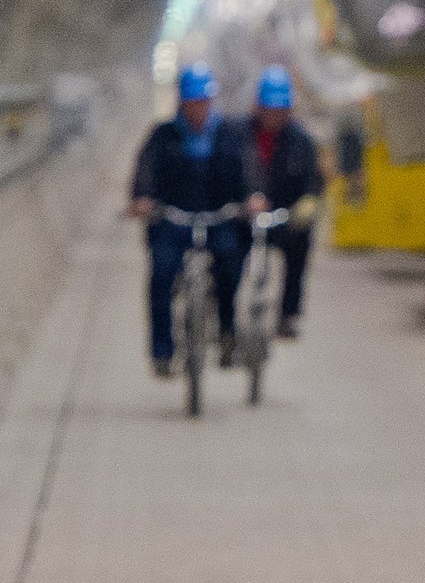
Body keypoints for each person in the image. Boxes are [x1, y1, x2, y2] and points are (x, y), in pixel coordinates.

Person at [127, 64, 262, 376]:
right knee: (161, 273)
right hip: (174, 219)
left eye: (203, 101)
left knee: (230, 264)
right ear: (182, 102)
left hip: (219, 218)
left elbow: (249, 169)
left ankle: (227, 331)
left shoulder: (229, 135)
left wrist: (252, 196)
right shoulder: (163, 135)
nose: (198, 108)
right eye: (193, 102)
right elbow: (145, 169)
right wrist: (142, 198)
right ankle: (163, 350)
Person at [240, 66, 327, 339]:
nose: (273, 115)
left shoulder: (301, 141)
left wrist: (308, 202)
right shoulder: (238, 135)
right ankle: (225, 316)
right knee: (225, 254)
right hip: (242, 217)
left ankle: (288, 313)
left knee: (300, 245)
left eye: (280, 109)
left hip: (282, 217)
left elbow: (313, 178)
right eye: (269, 108)